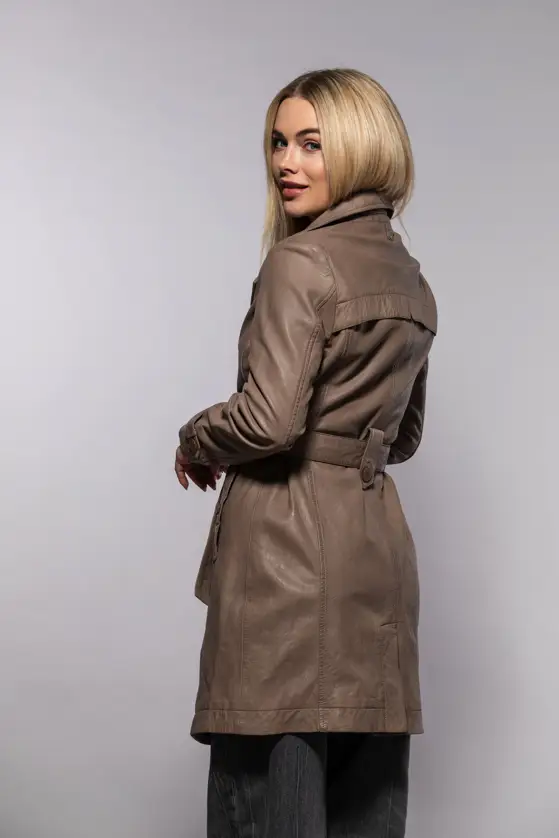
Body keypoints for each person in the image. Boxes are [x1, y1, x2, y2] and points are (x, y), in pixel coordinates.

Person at [175, 68, 437, 838]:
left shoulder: (300, 263)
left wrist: (195, 436)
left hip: (284, 562)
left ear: (360, 147)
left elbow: (268, 423)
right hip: (374, 555)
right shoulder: (409, 279)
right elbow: (403, 437)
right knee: (363, 805)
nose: (286, 162)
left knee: (268, 804)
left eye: (312, 144)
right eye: (278, 142)